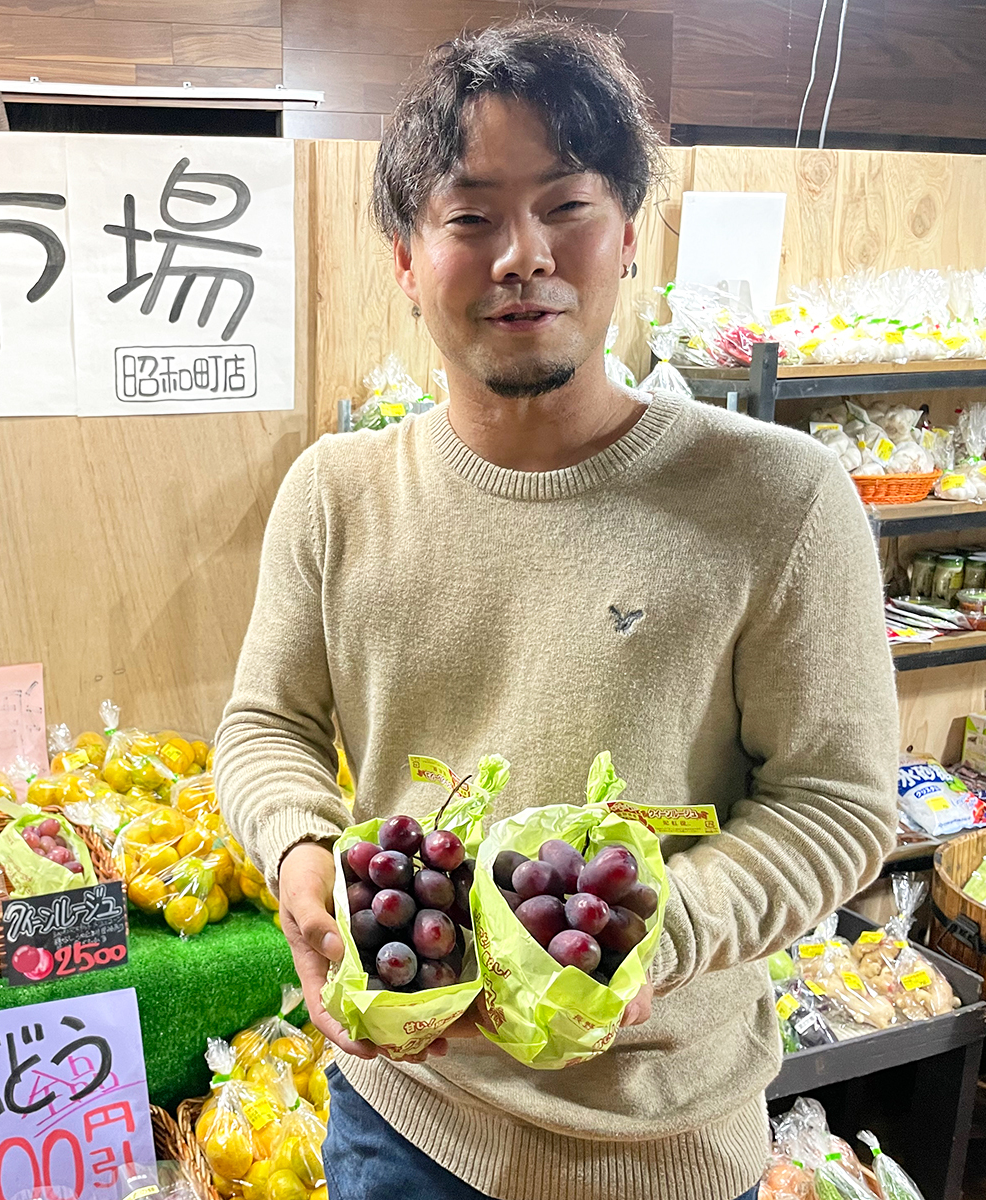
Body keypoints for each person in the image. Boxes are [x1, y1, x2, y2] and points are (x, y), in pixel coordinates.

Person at [215, 17, 897, 1200]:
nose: (519, 254)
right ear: (404, 255)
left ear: (628, 234)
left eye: (567, 207)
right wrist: (299, 848)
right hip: (402, 1119)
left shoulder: (780, 499)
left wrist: (657, 933)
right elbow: (265, 724)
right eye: (469, 215)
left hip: (666, 1142)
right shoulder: (335, 492)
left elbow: (835, 803)